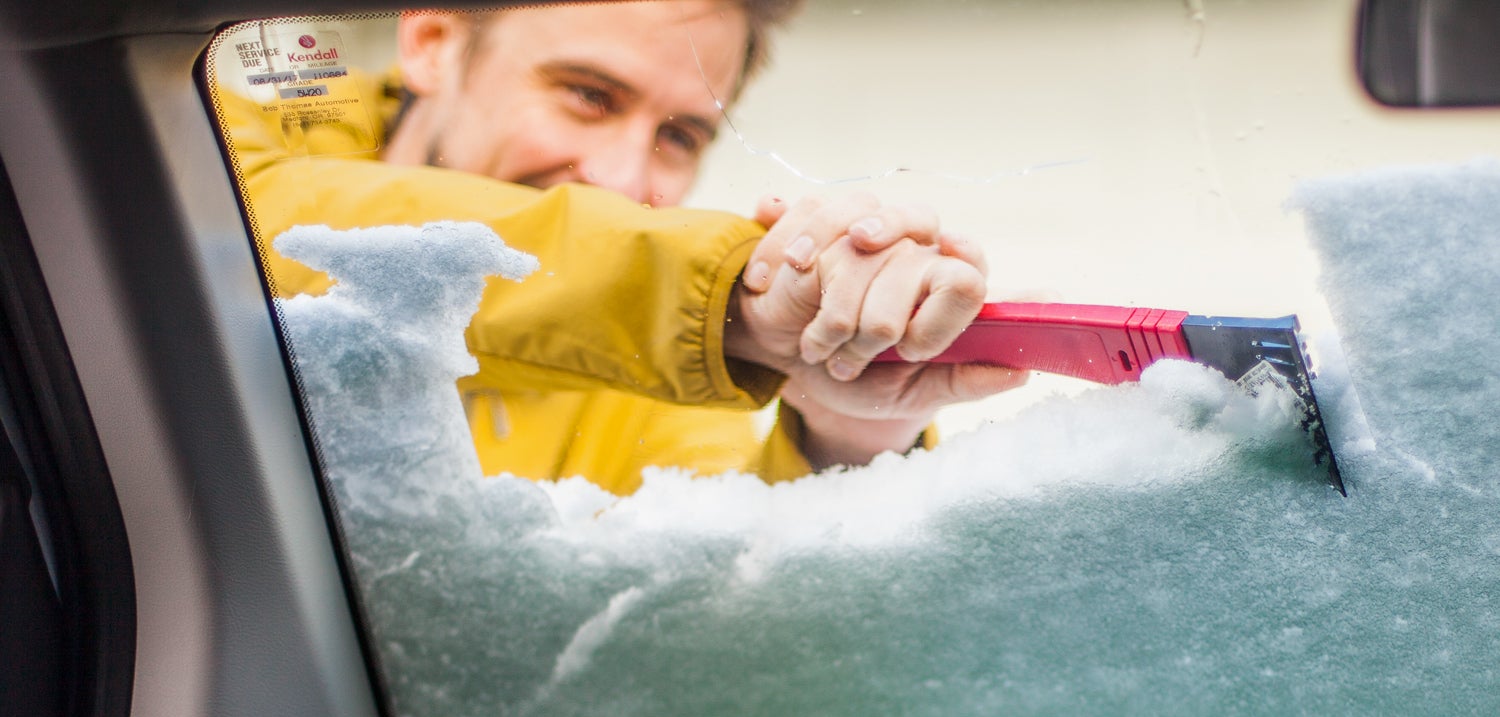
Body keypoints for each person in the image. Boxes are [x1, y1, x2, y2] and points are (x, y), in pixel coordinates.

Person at [218, 1, 1024, 493]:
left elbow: (732, 618)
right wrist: (733, 299)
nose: (622, 178)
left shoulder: (656, 367)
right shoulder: (207, 141)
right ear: (432, 41)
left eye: (678, 135)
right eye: (587, 95)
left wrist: (845, 434)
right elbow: (264, 238)